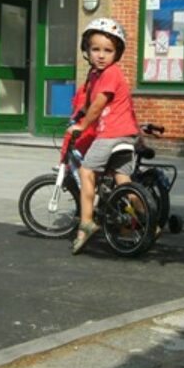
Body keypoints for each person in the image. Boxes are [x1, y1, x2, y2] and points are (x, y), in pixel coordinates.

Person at [66, 17, 140, 255]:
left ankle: (86, 223)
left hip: (111, 134)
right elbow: (94, 103)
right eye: (95, 49)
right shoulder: (97, 75)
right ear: (86, 51)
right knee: (123, 182)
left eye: (108, 50)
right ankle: (141, 222)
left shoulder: (110, 73)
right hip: (126, 134)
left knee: (87, 171)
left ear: (117, 53)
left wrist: (81, 126)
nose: (101, 55)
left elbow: (98, 105)